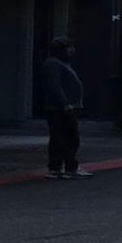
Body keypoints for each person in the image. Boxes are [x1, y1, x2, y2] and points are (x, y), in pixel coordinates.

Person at [38, 37, 85, 180]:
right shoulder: (53, 64)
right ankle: (69, 167)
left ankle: (57, 167)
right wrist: (64, 103)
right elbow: (55, 86)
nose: (72, 50)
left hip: (63, 106)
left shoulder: (61, 63)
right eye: (68, 47)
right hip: (59, 108)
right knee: (67, 137)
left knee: (61, 137)